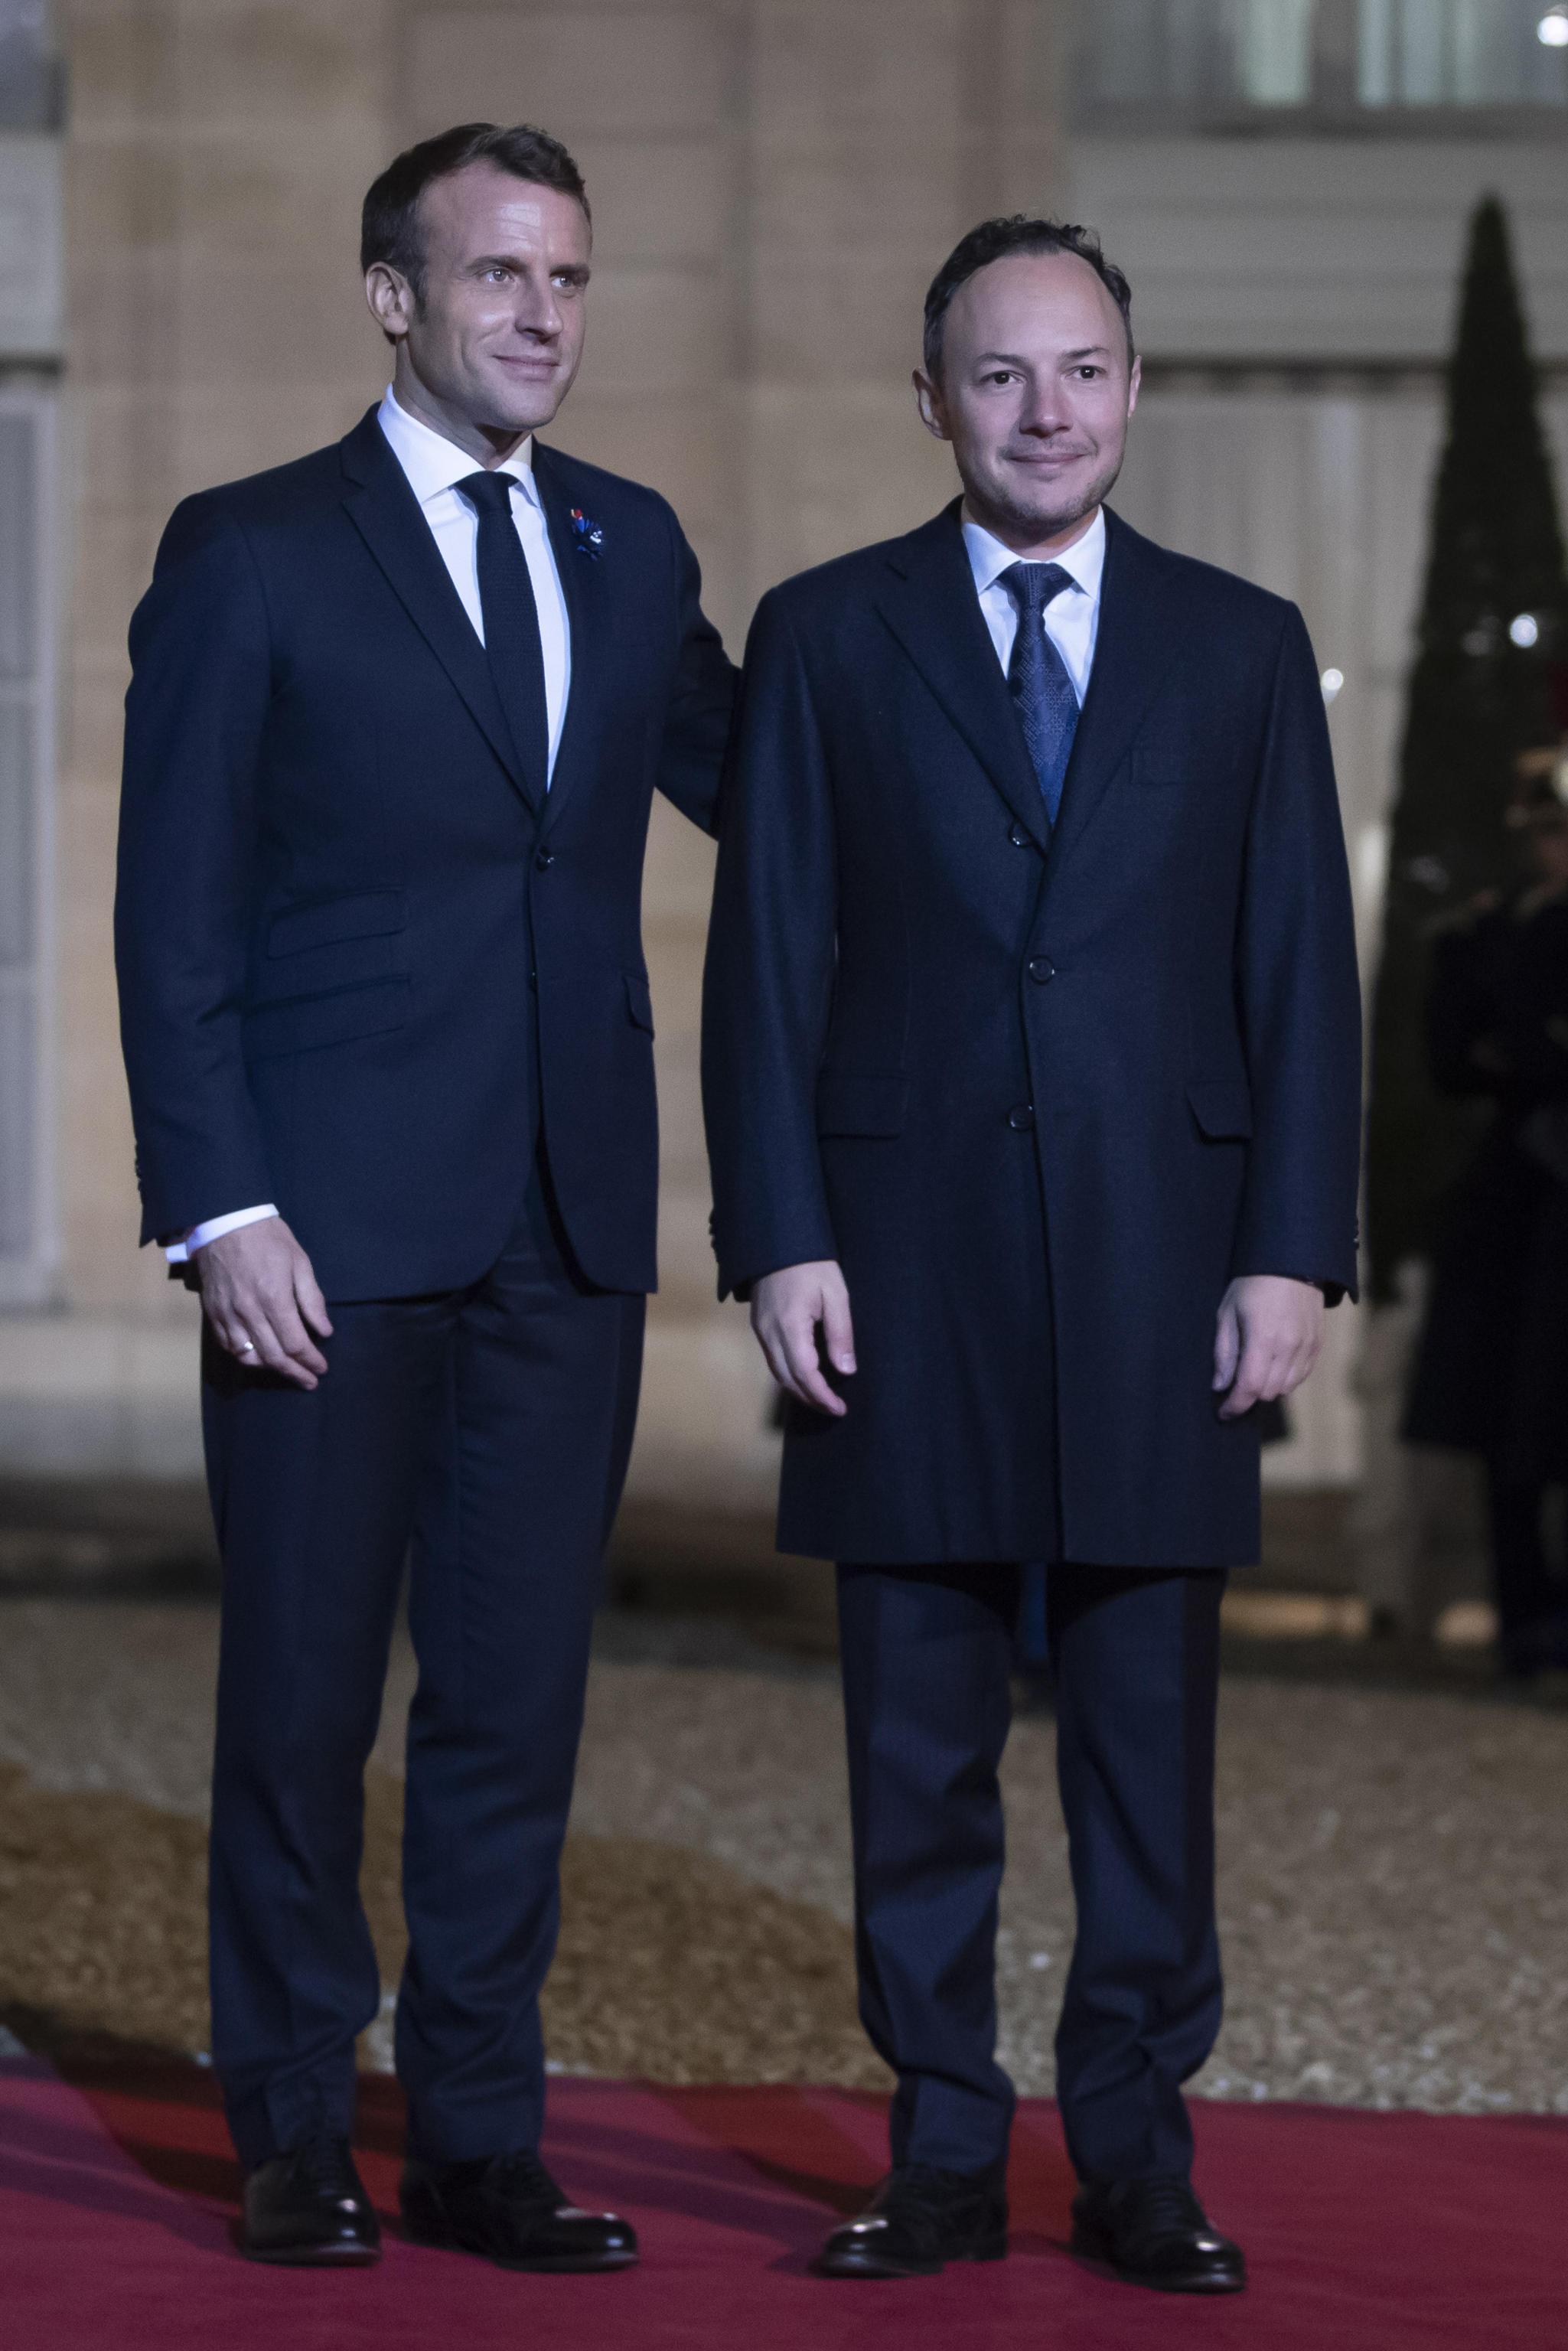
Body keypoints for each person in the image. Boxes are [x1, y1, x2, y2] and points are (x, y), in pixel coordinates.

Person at [702, 215, 1361, 2295]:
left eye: (1080, 370)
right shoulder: (826, 635)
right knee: (915, 1767)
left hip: (1174, 1280)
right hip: (896, 1282)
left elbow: (1299, 979)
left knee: (1148, 1772)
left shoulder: (1244, 646)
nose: (1045, 411)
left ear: (1134, 389)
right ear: (933, 401)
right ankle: (946, 2154)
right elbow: (760, 970)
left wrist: (1293, 1255)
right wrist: (777, 1237)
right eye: (1000, 375)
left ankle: (1141, 2160)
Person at [115, 122, 735, 2271]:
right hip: (328, 1238)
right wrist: (219, 1207)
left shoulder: (635, 546)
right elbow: (171, 911)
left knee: (512, 1708)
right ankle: (293, 2117)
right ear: (396, 296)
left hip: (564, 1223)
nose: (543, 316)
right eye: (499, 278)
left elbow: (769, 779)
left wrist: (976, 642)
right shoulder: (256, 549)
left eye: (569, 279)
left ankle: (478, 2128)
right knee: (299, 1702)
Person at [1403, 745, 1568, 1677]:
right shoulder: (1499, 925)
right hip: (1518, 1193)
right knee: (1511, 1416)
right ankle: (1525, 1613)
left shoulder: (1513, 929)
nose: (1555, 849)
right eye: (1545, 831)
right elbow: (1458, 1054)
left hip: (1542, 1182)